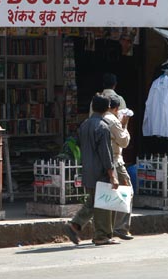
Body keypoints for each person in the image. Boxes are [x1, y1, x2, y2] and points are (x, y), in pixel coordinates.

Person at [63, 93, 119, 246]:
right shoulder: (103, 127)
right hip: (100, 172)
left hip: (87, 170)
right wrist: (112, 174)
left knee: (93, 201)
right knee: (103, 205)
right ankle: (101, 235)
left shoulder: (85, 125)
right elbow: (106, 154)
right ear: (107, 109)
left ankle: (75, 225)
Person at [102, 95, 134, 240]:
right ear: (116, 109)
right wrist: (125, 125)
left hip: (102, 161)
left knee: (107, 196)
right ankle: (120, 227)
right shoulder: (114, 121)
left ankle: (107, 230)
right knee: (127, 191)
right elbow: (124, 141)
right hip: (115, 162)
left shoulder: (99, 118)